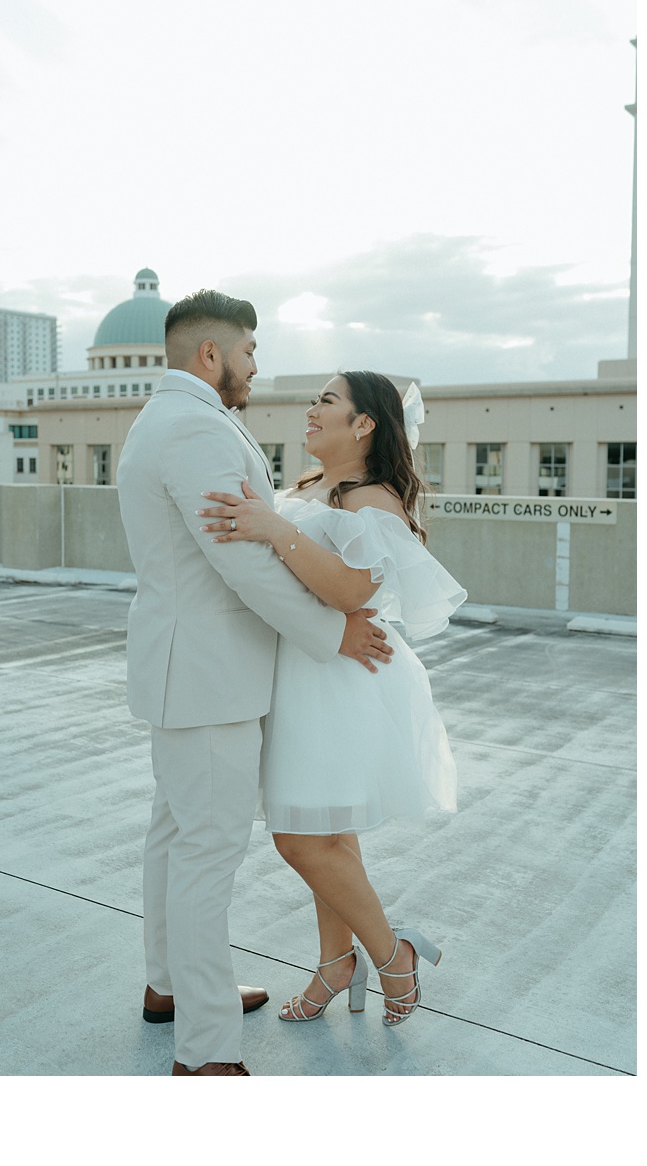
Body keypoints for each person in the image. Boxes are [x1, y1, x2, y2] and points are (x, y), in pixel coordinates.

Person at [116, 295, 395, 1076]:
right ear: (212, 354)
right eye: (250, 348)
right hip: (209, 678)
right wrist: (332, 631)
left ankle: (169, 986)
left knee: (174, 838)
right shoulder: (198, 428)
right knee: (204, 855)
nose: (257, 363)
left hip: (187, 670)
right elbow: (240, 562)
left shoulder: (159, 418)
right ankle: (207, 1056)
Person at [197, 370, 467, 1028]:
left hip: (335, 683)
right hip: (299, 669)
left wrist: (268, 527)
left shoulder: (374, 498)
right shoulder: (310, 487)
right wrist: (267, 520)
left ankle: (391, 954)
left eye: (327, 401)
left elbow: (351, 594)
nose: (310, 411)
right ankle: (333, 962)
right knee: (327, 832)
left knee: (300, 838)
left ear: (364, 423)